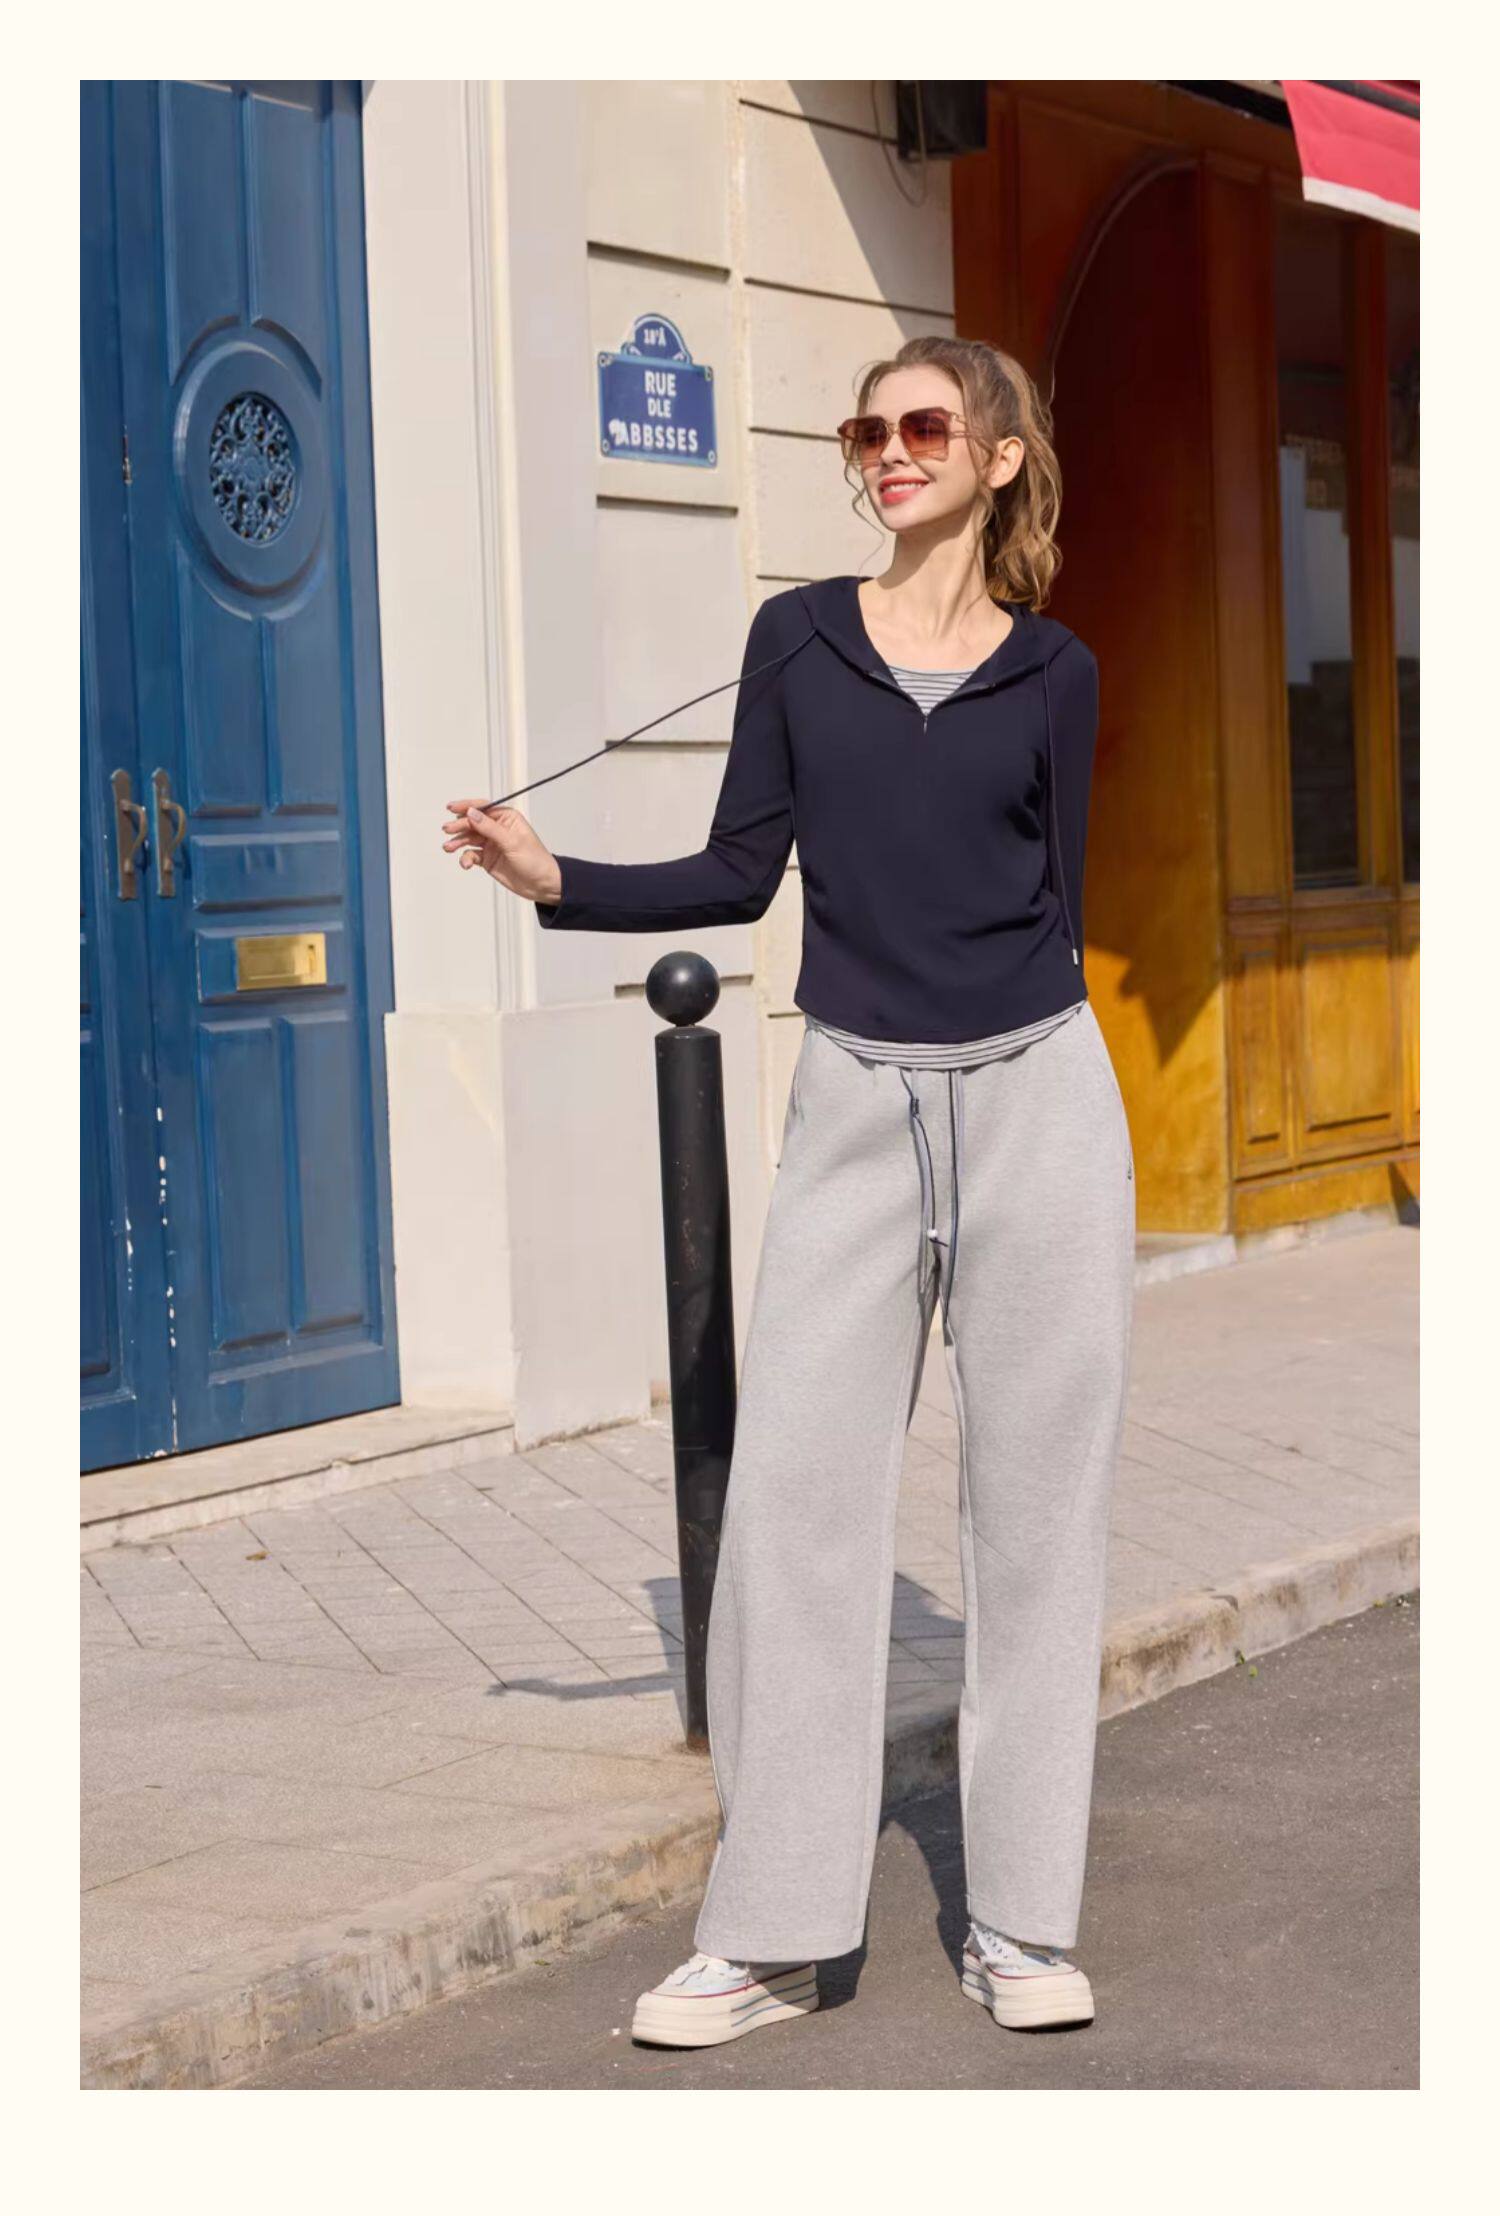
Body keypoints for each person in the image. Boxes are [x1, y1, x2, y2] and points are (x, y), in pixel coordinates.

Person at [441, 335, 1135, 2047]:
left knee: (1038, 1524)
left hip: (1039, 1095)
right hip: (853, 1099)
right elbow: (741, 871)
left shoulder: (1057, 671)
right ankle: (771, 1936)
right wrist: (555, 878)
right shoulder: (798, 638)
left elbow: (1055, 903)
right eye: (867, 429)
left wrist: (1004, 1062)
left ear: (997, 457)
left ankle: (1023, 1923)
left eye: (925, 425)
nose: (889, 449)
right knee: (794, 1510)